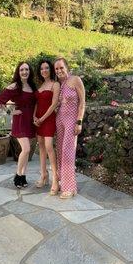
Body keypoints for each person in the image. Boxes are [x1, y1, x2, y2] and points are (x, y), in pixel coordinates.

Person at [0, 62, 36, 189]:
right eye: (22, 70)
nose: (24, 72)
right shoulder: (15, 86)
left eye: (27, 69)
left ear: (30, 71)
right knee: (26, 149)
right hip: (20, 121)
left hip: (30, 121)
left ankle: (23, 177)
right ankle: (18, 175)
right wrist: (11, 112)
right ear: (18, 72)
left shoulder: (32, 86)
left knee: (26, 151)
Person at [54, 57, 86, 198]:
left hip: (72, 120)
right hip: (59, 120)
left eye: (61, 67)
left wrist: (79, 121)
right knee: (60, 151)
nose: (59, 70)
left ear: (67, 67)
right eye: (57, 69)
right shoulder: (59, 85)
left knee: (68, 152)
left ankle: (69, 188)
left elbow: (82, 103)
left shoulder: (76, 80)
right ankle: (63, 183)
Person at [33, 59, 60, 195]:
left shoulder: (55, 84)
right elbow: (36, 103)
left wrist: (42, 119)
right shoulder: (40, 85)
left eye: (47, 68)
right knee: (41, 147)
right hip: (38, 120)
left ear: (51, 70)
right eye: (42, 68)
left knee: (49, 147)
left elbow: (54, 104)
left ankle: (56, 178)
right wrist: (34, 117)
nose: (44, 70)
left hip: (48, 120)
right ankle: (44, 175)